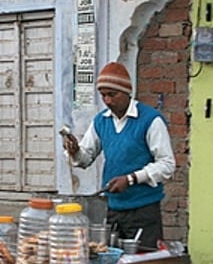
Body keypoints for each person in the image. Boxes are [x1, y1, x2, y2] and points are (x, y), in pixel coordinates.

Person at [62, 61, 176, 249]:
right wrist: (75, 152)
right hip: (114, 208)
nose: (107, 100)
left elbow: (167, 165)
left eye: (112, 95)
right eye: (103, 95)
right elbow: (85, 158)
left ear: (126, 93)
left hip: (144, 210)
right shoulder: (101, 121)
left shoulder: (150, 120)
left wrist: (131, 179)